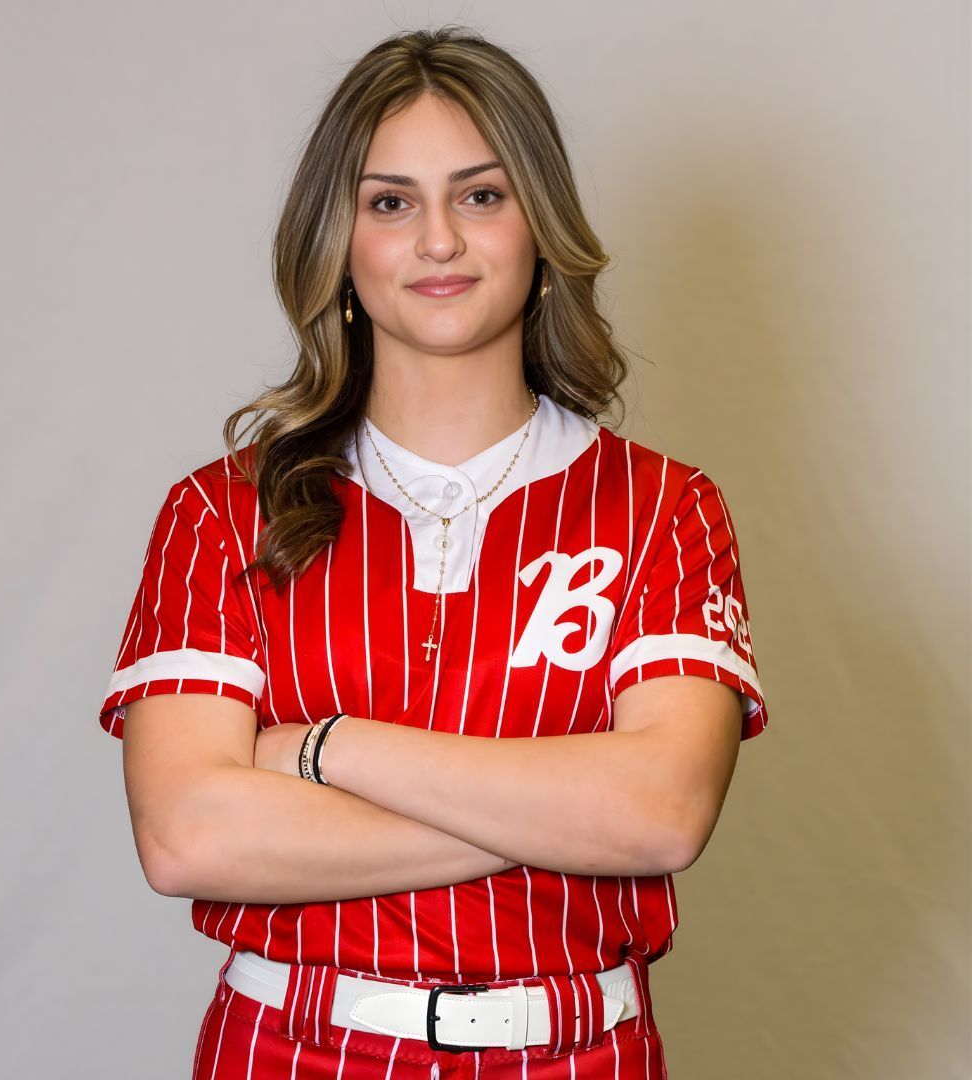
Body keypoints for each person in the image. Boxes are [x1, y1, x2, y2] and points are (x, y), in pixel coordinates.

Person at [97, 25, 769, 1080]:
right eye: (390, 201)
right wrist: (566, 816)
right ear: (342, 243)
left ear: (540, 226)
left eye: (482, 195)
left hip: (577, 1053)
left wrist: (324, 750)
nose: (439, 241)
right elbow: (189, 836)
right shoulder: (223, 511)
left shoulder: (662, 510)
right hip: (292, 1051)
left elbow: (662, 813)